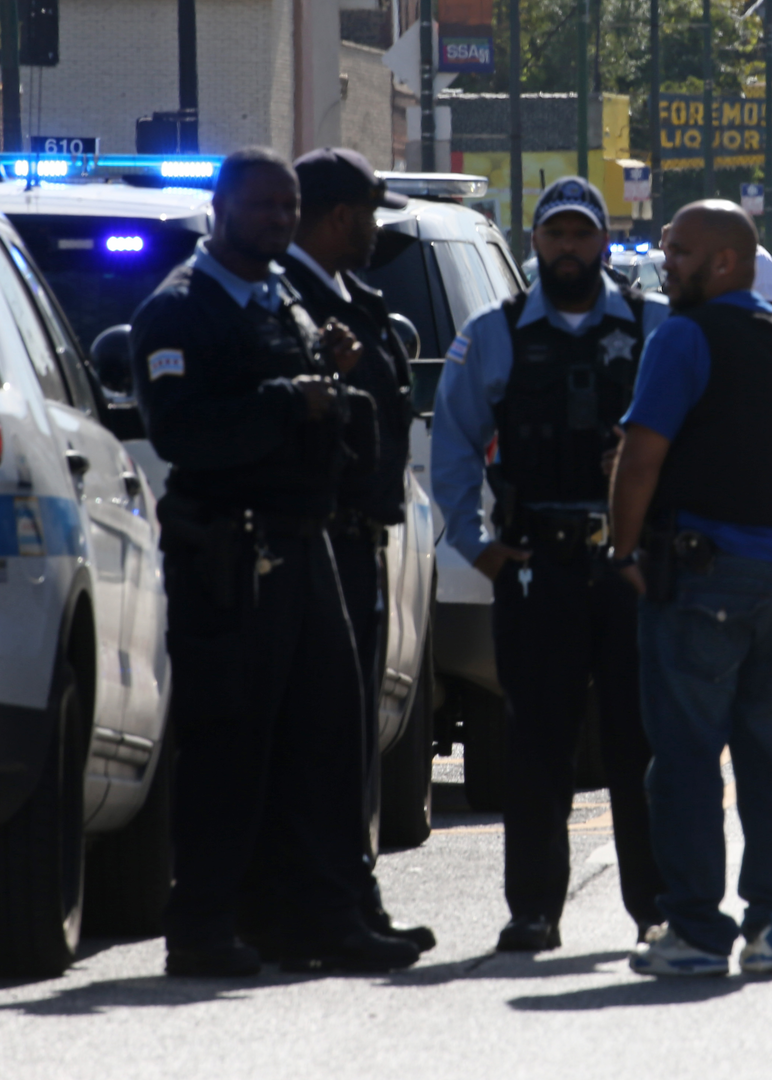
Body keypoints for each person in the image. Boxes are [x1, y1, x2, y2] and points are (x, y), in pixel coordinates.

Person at [132, 148, 418, 976]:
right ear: (221, 208)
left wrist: (335, 375)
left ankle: (318, 920)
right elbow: (183, 434)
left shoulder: (283, 301)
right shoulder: (181, 312)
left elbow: (315, 402)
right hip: (231, 552)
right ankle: (204, 927)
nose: (279, 221)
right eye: (262, 206)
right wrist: (289, 399)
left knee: (322, 741)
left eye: (288, 208)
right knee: (231, 744)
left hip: (306, 540)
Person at [431, 177, 673, 952]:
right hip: (538, 570)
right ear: (534, 242)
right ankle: (533, 910)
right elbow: (452, 449)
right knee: (537, 746)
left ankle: (658, 909)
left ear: (604, 240)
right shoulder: (492, 334)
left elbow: (698, 435)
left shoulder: (656, 327)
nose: (568, 247)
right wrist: (481, 549)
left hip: (634, 570)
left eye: (581, 233)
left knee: (643, 744)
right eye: (555, 234)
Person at [607, 200, 772, 977]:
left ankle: (697, 931)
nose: (667, 263)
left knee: (687, 757)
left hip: (702, 578)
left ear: (726, 262)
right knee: (771, 751)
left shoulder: (682, 337)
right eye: (667, 250)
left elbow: (639, 457)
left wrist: (621, 548)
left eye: (681, 252)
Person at [280, 147, 436, 956]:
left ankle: (354, 896)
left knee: (352, 734)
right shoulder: (291, 300)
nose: (376, 229)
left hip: (360, 542)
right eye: (370, 213)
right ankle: (326, 910)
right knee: (323, 737)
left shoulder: (352, 298)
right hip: (318, 543)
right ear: (339, 215)